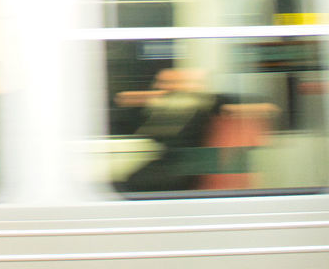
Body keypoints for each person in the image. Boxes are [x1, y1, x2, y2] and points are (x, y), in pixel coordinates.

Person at [114, 67, 274, 193]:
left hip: (187, 171)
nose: (160, 87)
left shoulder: (212, 104)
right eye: (161, 83)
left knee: (127, 187)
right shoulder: (164, 110)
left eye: (168, 83)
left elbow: (263, 105)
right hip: (171, 167)